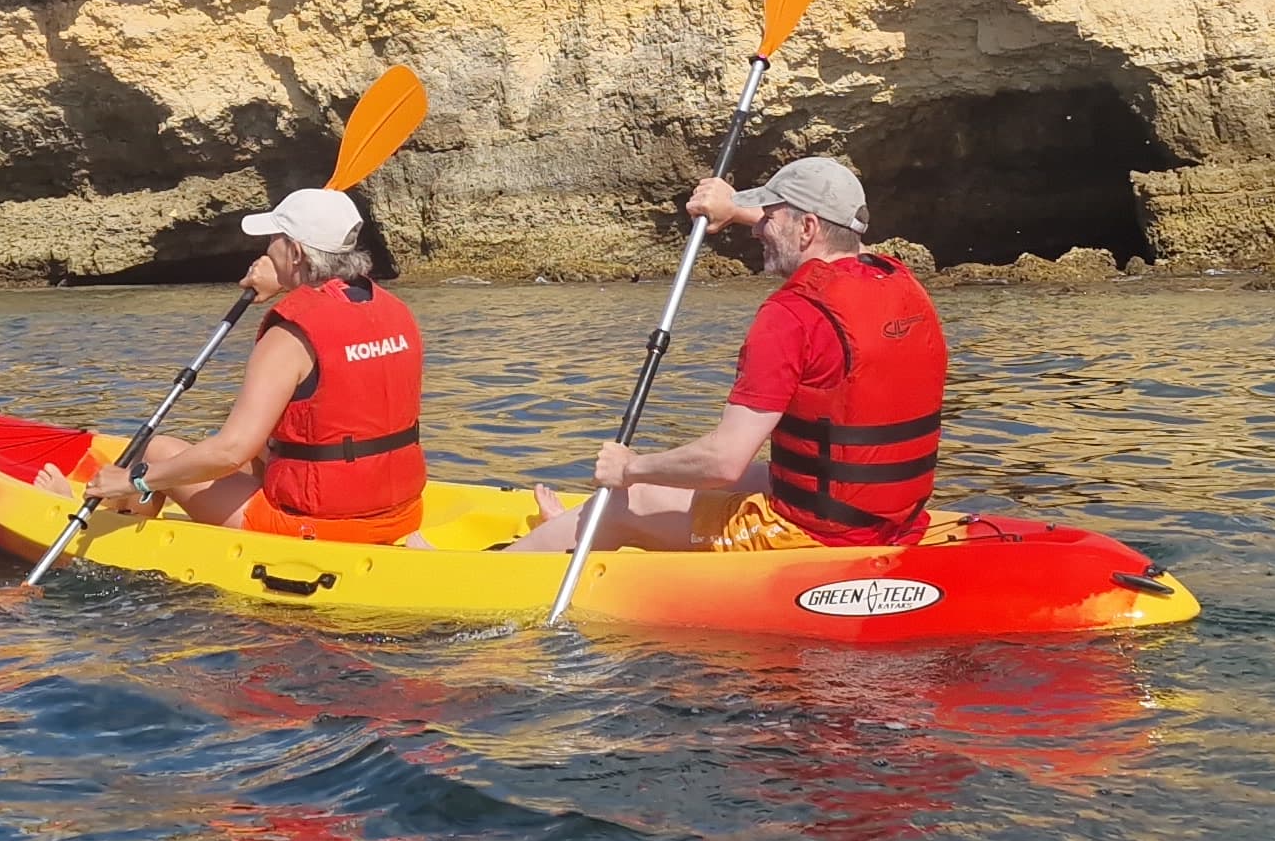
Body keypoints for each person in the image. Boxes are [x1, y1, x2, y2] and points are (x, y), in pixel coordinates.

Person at [506, 156, 947, 555]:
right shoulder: (899, 280)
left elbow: (723, 461)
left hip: (814, 534)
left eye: (769, 218)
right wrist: (734, 209)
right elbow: (834, 234)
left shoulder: (791, 316)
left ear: (808, 228)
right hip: (891, 519)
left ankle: (511, 563)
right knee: (753, 476)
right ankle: (568, 532)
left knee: (625, 501)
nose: (757, 230)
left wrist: (629, 468)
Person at [85, 186, 427, 544]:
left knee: (158, 452)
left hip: (319, 523)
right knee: (263, 443)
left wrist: (137, 479)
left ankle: (114, 526)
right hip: (399, 510)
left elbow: (230, 451)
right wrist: (289, 279)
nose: (266, 249)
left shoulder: (289, 336)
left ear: (295, 252)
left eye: (274, 240)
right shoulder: (394, 311)